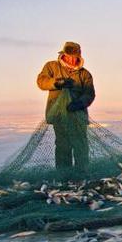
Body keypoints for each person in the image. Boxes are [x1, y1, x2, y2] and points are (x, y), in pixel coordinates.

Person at [37, 42, 95, 174]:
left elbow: (89, 94)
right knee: (63, 146)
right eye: (69, 56)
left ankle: (82, 175)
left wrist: (79, 104)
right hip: (59, 116)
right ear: (63, 55)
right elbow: (41, 81)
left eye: (75, 57)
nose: (72, 59)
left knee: (81, 146)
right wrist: (56, 83)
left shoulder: (85, 74)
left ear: (79, 57)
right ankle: (64, 176)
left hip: (78, 116)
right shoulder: (51, 66)